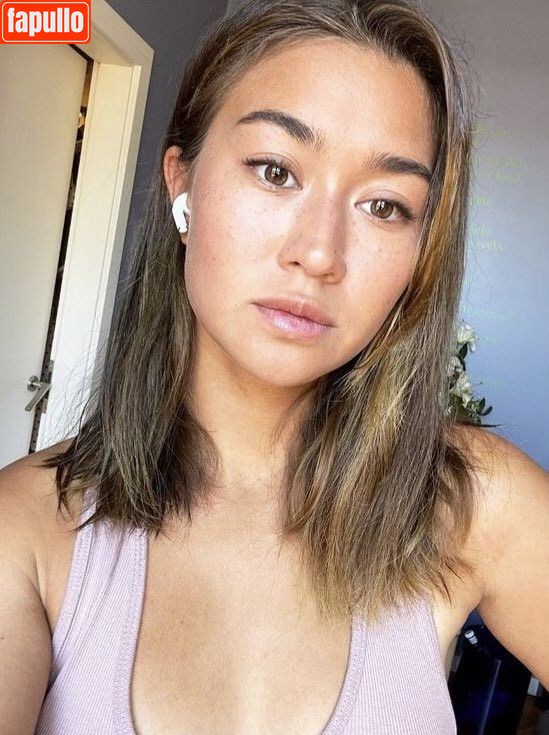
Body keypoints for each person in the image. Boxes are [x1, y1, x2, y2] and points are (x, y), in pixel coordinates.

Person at [1, 0, 547, 733]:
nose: (318, 254)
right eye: (274, 170)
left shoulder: (475, 500)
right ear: (182, 183)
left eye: (384, 206)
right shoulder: (28, 528)